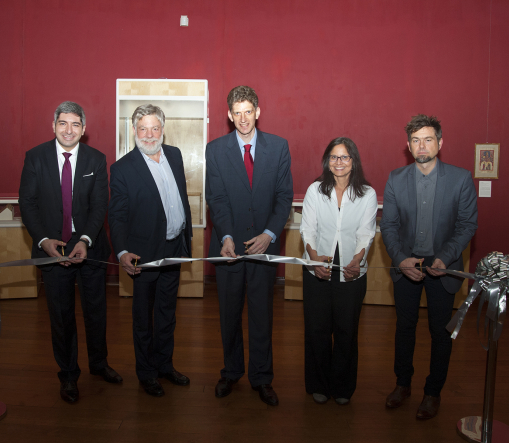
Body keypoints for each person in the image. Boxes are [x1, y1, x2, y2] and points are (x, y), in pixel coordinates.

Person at [19, 101, 122, 404]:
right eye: (63, 123)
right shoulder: (35, 158)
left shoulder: (96, 159)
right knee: (61, 316)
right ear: (53, 126)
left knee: (96, 312)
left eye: (75, 124)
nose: (69, 129)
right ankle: (68, 375)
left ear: (84, 129)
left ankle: (99, 364)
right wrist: (43, 241)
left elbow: (100, 205)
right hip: (53, 249)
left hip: (89, 247)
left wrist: (86, 239)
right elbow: (28, 203)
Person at [381, 114, 478, 419]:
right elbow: (389, 225)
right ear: (408, 146)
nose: (421, 145)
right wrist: (400, 259)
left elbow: (466, 224)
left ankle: (433, 392)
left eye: (428, 139)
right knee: (404, 330)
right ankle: (403, 384)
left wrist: (444, 258)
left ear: (440, 142)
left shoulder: (461, 178)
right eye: (415, 140)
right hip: (407, 266)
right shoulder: (396, 178)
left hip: (442, 268)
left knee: (440, 332)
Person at [205, 85, 293, 406]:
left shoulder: (279, 147)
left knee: (261, 314)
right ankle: (231, 372)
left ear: (258, 111)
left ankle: (262, 377)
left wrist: (270, 233)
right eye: (236, 113)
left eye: (248, 111)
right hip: (228, 247)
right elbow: (216, 198)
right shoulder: (215, 150)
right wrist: (226, 235)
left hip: (264, 247)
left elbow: (284, 197)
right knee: (229, 314)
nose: (243, 118)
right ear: (229, 115)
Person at [108, 104, 192, 398]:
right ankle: (146, 373)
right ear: (133, 130)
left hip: (175, 249)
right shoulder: (121, 169)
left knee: (167, 314)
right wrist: (121, 252)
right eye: (142, 128)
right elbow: (116, 217)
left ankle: (164, 365)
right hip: (144, 255)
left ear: (163, 129)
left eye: (155, 128)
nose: (149, 134)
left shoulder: (176, 155)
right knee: (144, 318)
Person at [300, 137, 377, 405]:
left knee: (346, 332)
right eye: (334, 157)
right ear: (327, 161)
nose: (339, 162)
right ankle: (319, 383)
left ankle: (343, 387)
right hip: (317, 271)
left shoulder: (367, 194)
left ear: (353, 161)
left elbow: (366, 233)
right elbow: (307, 228)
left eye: (345, 157)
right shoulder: (315, 190)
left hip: (351, 273)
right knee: (317, 330)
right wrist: (313, 258)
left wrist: (357, 259)